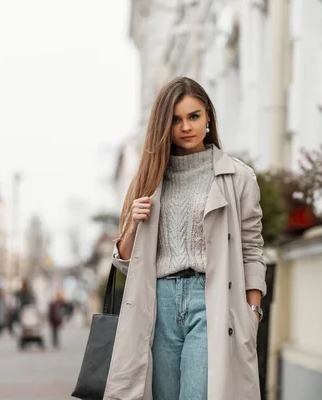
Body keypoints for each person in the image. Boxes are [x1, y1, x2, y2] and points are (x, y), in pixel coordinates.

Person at [106, 77, 266, 400]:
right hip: (160, 303)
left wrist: (253, 311)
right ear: (165, 126)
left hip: (210, 299)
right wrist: (135, 223)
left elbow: (252, 248)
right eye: (176, 120)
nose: (186, 127)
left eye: (194, 116)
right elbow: (124, 260)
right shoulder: (149, 179)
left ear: (208, 117)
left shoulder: (238, 178)